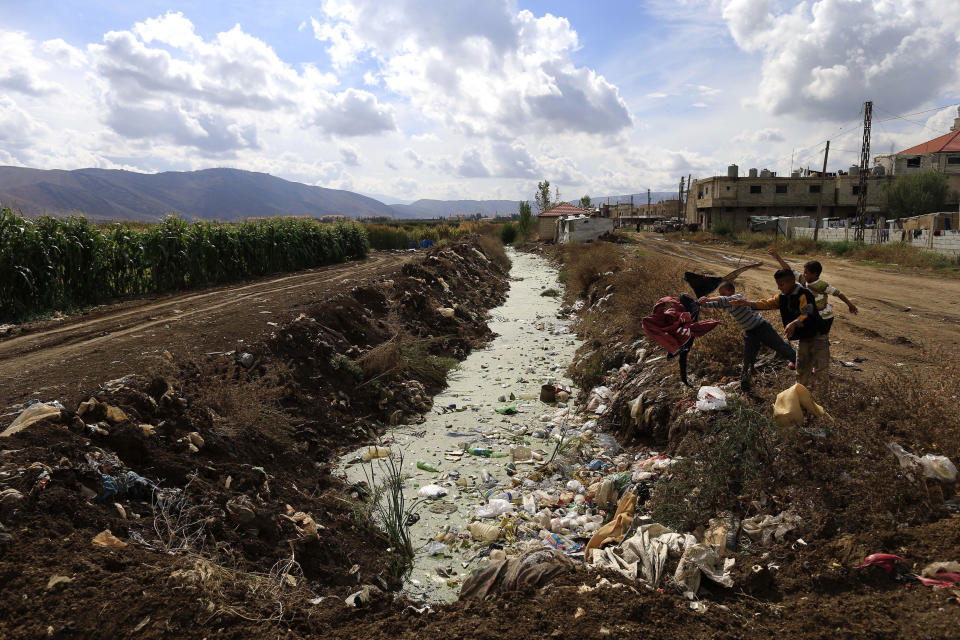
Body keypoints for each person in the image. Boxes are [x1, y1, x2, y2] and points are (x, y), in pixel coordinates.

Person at [730, 269, 829, 396]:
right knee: (801, 368)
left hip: (818, 335)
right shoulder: (782, 297)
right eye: (778, 284)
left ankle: (822, 396)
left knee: (821, 368)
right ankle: (802, 396)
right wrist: (747, 303)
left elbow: (808, 312)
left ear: (792, 282)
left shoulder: (804, 294)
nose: (779, 287)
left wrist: (794, 323)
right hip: (804, 338)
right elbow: (767, 303)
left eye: (781, 284)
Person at [698, 281, 796, 394]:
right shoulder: (726, 302)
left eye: (723, 293)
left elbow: (723, 300)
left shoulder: (737, 297)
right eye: (721, 294)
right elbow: (713, 304)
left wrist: (709, 298)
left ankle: (802, 364)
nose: (722, 296)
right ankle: (745, 388)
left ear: (731, 291)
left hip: (762, 328)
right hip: (750, 333)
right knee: (748, 360)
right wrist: (700, 302)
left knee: (781, 347)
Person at [767, 249, 858, 334]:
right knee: (813, 336)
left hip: (825, 317)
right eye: (804, 272)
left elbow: (839, 293)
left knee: (820, 337)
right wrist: (778, 257)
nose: (804, 274)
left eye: (806, 272)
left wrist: (850, 305)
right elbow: (788, 270)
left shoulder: (822, 285)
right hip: (813, 316)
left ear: (815, 274)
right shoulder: (804, 280)